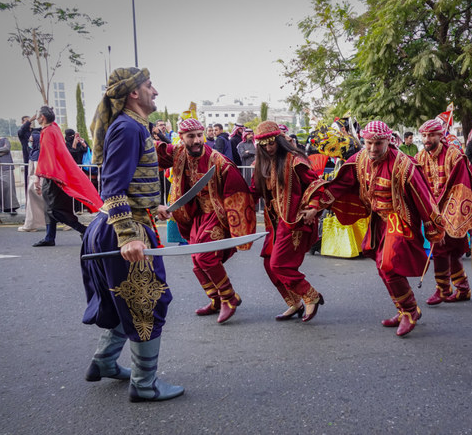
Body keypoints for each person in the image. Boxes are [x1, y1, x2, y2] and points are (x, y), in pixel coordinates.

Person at [82, 67, 183, 402]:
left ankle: (105, 361)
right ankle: (144, 384)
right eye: (150, 85)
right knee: (147, 303)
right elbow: (112, 187)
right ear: (134, 93)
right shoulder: (128, 127)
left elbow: (131, 179)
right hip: (122, 228)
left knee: (124, 299)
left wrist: (155, 206)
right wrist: (128, 236)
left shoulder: (134, 125)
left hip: (124, 223)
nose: (155, 91)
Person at [301, 121, 445, 337]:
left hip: (400, 218)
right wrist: (315, 206)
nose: (373, 149)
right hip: (378, 220)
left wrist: (434, 228)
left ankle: (408, 311)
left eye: (378, 144)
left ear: (388, 141)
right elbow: (339, 185)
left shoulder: (404, 165)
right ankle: (405, 308)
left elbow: (423, 197)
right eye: (369, 143)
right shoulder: (359, 160)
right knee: (382, 267)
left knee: (388, 265)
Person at [156, 118, 256, 322]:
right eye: (190, 136)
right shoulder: (178, 153)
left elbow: (237, 192)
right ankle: (215, 299)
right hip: (196, 216)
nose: (196, 140)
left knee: (205, 258)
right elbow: (150, 153)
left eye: (199, 135)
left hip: (217, 215)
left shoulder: (219, 161)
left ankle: (229, 297)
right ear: (181, 138)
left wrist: (237, 226)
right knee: (196, 261)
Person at [250, 120, 325, 322]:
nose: (268, 148)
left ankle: (311, 295)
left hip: (294, 220)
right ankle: (294, 302)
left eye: (272, 143)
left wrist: (314, 207)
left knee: (279, 264)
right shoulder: (261, 163)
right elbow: (253, 192)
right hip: (273, 221)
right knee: (268, 264)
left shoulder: (295, 160)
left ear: (280, 141)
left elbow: (315, 184)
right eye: (263, 145)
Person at [415, 119, 472, 305]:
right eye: (424, 135)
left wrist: (449, 214)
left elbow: (462, 186)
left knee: (445, 250)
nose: (427, 139)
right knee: (448, 251)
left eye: (431, 135)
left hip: (454, 209)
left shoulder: (454, 155)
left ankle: (443, 289)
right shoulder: (420, 156)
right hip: (432, 210)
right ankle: (462, 289)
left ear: (440, 135)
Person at [32, 107, 97, 247]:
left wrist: (37, 176)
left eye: (37, 115)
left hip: (53, 175)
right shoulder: (53, 128)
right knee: (51, 208)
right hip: (56, 173)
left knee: (55, 209)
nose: (36, 117)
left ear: (42, 117)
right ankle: (49, 237)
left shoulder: (48, 131)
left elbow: (45, 155)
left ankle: (84, 230)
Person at [17, 114, 36, 189]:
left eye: (30, 120)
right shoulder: (21, 132)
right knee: (28, 177)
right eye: (27, 121)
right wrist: (30, 120)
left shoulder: (35, 131)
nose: (29, 122)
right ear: (22, 122)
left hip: (37, 157)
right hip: (28, 157)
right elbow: (22, 129)